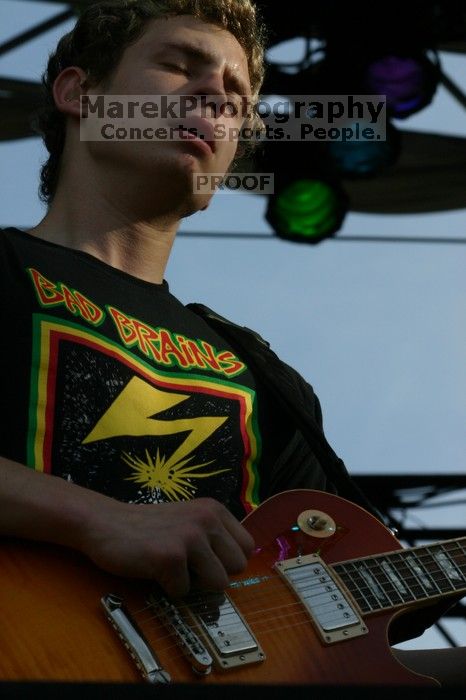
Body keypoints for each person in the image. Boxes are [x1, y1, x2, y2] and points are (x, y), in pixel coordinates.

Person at [0, 0, 464, 685]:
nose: (215, 95)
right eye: (178, 65)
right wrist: (98, 519)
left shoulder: (263, 375)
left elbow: (335, 623)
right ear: (81, 94)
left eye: (237, 95)